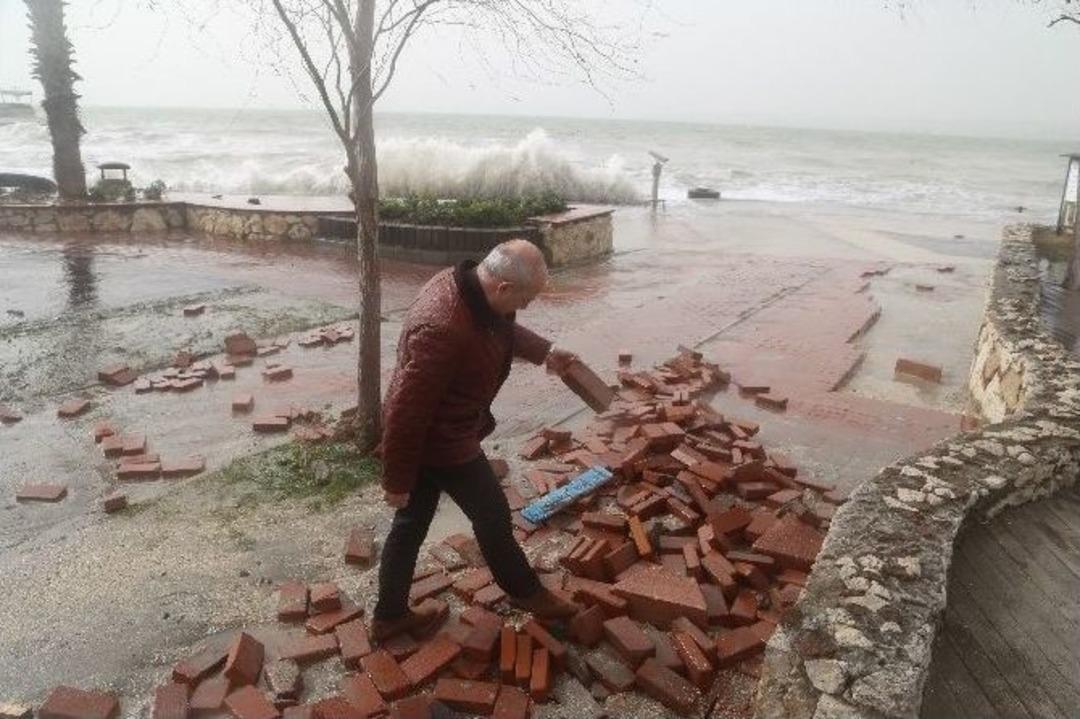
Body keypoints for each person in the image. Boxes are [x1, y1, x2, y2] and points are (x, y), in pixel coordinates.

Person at [371, 239, 581, 640]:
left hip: (446, 430)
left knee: (412, 523)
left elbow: (499, 328)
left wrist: (546, 352)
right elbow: (405, 409)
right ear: (503, 288)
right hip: (441, 440)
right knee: (492, 515)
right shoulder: (443, 326)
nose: (528, 307)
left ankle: (389, 616)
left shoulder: (470, 287)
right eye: (527, 298)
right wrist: (396, 481)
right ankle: (526, 593)